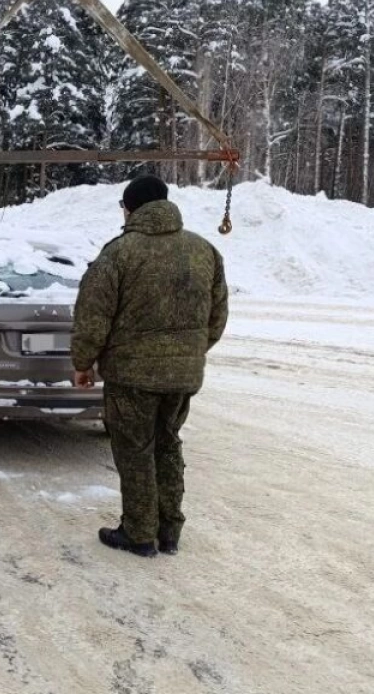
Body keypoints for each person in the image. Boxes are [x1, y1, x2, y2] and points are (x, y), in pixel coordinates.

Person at [71, 175, 229, 558]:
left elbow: (93, 316)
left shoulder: (119, 253)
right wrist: (187, 353)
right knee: (167, 445)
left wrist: (83, 363)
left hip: (131, 376)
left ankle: (139, 534)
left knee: (135, 450)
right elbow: (217, 316)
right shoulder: (203, 250)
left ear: (130, 208)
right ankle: (169, 530)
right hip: (183, 376)